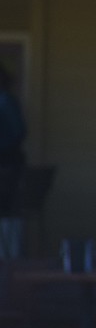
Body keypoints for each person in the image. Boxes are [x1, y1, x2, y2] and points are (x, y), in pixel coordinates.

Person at [0, 64, 26, 259]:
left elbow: (19, 132)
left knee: (8, 208)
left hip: (7, 163)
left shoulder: (5, 101)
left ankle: (8, 256)